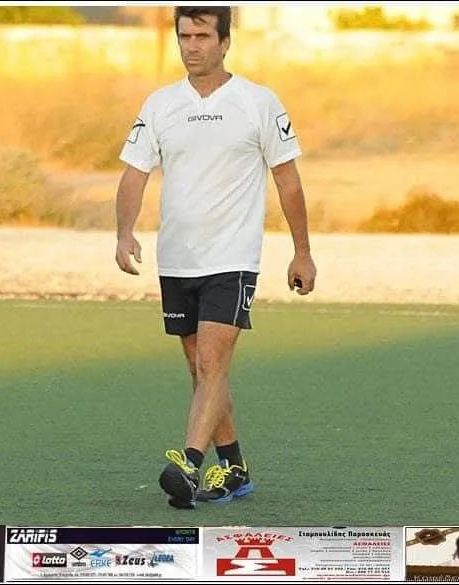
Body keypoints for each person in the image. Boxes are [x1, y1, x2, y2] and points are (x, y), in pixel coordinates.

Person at [115, 6, 316, 510]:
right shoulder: (160, 104)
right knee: (202, 371)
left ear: (225, 42)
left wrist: (302, 252)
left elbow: (288, 180)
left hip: (233, 257)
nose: (192, 46)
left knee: (211, 363)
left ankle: (188, 463)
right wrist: (124, 232)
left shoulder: (259, 102)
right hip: (176, 259)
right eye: (185, 36)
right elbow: (135, 172)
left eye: (203, 36)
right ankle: (235, 469)